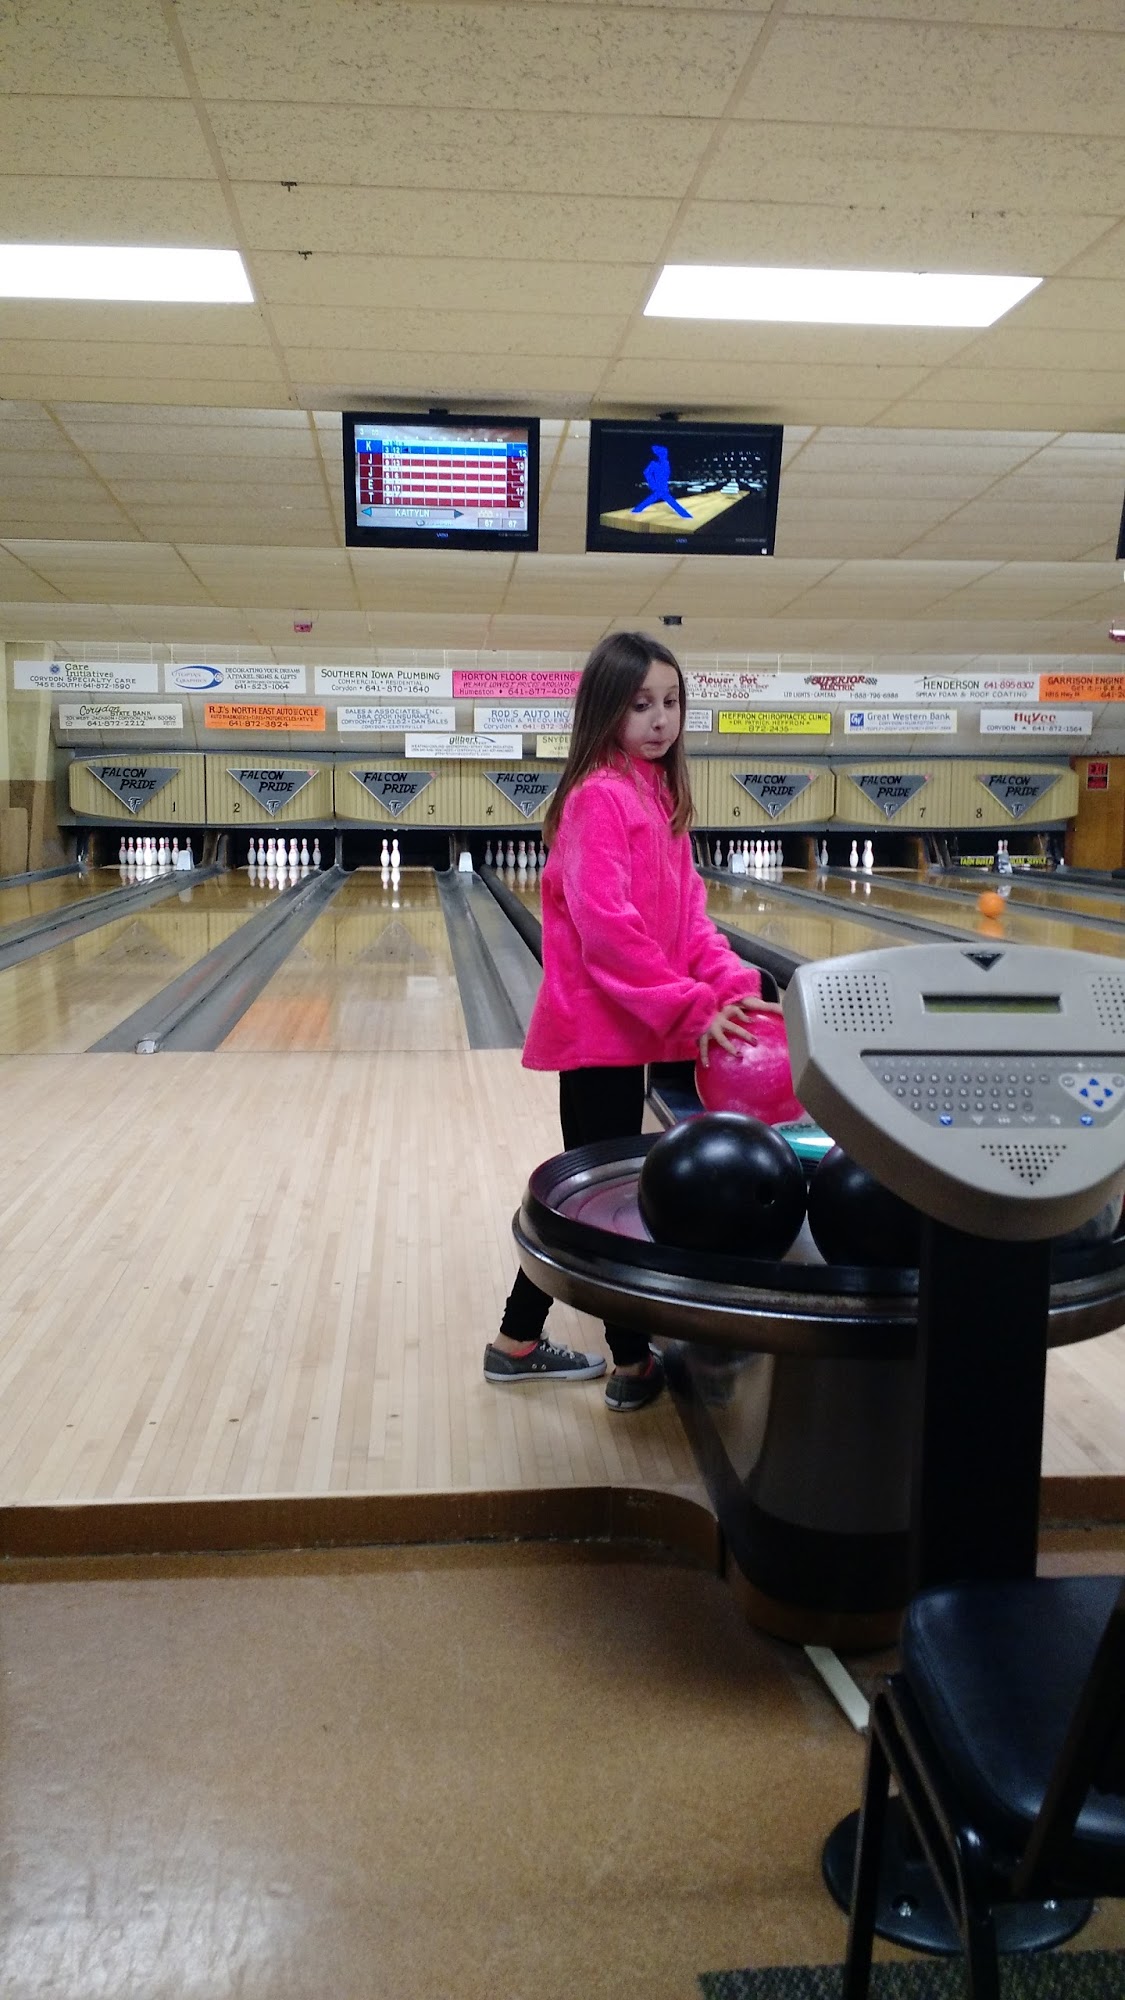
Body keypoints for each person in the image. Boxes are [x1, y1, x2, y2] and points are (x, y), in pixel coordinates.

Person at [483, 631, 781, 1412]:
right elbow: (608, 931)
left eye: (671, 702)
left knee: (595, 1199)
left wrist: (733, 986)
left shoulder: (659, 799)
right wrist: (690, 1006)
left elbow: (691, 926)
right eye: (640, 704)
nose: (659, 718)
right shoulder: (597, 799)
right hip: (595, 1034)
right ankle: (625, 1361)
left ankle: (527, 1344)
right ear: (605, 711)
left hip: (632, 1030)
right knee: (603, 1204)